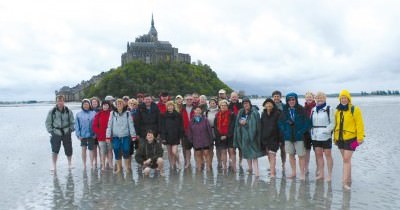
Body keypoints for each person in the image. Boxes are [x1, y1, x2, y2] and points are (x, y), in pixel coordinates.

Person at [333, 90, 365, 190]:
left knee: (346, 159)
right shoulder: (338, 111)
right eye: (342, 98)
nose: (343, 99)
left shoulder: (355, 109)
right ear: (340, 99)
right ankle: (349, 180)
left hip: (353, 139)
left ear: (348, 99)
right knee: (346, 160)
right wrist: (335, 138)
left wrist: (360, 138)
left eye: (345, 98)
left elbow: (360, 124)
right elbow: (336, 125)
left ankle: (344, 182)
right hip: (340, 139)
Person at [278, 92, 310, 180]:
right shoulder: (284, 110)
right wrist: (285, 131)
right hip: (288, 137)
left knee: (301, 155)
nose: (291, 101)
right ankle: (293, 172)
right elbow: (280, 123)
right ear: (287, 101)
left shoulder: (301, 109)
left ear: (296, 100)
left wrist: (301, 132)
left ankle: (302, 174)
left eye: (293, 100)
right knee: (291, 155)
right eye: (289, 100)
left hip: (299, 137)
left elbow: (307, 122)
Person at [233, 98, 263, 176]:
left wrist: (245, 123)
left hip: (253, 136)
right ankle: (250, 169)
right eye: (244, 103)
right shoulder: (241, 112)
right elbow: (237, 124)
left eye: (247, 103)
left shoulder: (254, 113)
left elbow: (255, 125)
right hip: (243, 136)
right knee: (246, 153)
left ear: (250, 104)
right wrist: (240, 124)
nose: (246, 105)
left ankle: (257, 173)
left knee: (254, 155)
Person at [106, 99, 137, 173]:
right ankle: (119, 168)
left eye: (120, 104)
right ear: (115, 105)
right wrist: (107, 136)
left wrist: (133, 135)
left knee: (126, 150)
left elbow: (131, 125)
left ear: (123, 105)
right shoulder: (112, 113)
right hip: (115, 136)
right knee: (116, 150)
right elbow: (109, 125)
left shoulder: (127, 113)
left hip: (125, 136)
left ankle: (126, 168)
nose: (119, 105)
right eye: (117, 104)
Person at [45, 95, 75, 171]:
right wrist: (51, 131)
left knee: (68, 149)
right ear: (56, 101)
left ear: (63, 101)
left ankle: (69, 163)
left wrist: (70, 130)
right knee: (55, 150)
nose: (60, 102)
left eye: (61, 101)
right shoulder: (52, 111)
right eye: (58, 101)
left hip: (66, 132)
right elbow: (48, 122)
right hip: (55, 133)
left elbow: (73, 122)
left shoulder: (68, 111)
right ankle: (54, 165)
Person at [311, 92, 335, 181]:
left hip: (326, 136)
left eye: (321, 98)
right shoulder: (313, 109)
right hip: (315, 136)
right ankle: (321, 174)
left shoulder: (329, 109)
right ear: (315, 99)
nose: (319, 99)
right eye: (318, 98)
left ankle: (329, 175)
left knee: (328, 155)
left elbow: (333, 123)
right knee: (318, 155)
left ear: (325, 98)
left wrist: (326, 131)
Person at [160, 101, 183, 170]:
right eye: (168, 106)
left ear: (173, 106)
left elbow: (180, 126)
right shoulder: (164, 115)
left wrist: (180, 136)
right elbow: (162, 127)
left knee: (174, 151)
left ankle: (178, 162)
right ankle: (172, 165)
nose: (170, 107)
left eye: (171, 106)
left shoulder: (178, 115)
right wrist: (163, 137)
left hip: (175, 136)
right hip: (167, 136)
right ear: (166, 107)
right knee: (169, 152)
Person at [260, 98, 281, 177]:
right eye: (267, 104)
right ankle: (273, 169)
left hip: (274, 138)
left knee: (272, 155)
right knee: (268, 155)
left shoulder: (277, 113)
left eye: (270, 103)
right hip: (265, 138)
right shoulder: (263, 114)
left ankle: (272, 173)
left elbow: (280, 127)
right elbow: (261, 126)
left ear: (273, 105)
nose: (268, 105)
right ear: (264, 105)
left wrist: (280, 139)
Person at [189, 107, 213, 172]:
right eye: (196, 110)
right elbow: (190, 132)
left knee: (206, 153)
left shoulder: (205, 120)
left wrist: (211, 140)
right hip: (196, 141)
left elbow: (209, 131)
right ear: (194, 111)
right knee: (198, 154)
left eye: (199, 110)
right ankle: (199, 168)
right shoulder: (191, 121)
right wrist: (191, 140)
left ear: (201, 111)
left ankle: (208, 167)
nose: (198, 111)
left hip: (205, 140)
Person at [214, 100, 236, 171]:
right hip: (220, 136)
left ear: (227, 106)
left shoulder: (231, 114)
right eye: (222, 105)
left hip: (230, 136)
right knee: (223, 151)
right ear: (219, 107)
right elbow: (215, 127)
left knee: (231, 151)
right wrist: (220, 136)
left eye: (225, 105)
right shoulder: (217, 115)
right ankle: (225, 166)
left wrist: (227, 135)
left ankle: (234, 166)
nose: (223, 107)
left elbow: (233, 126)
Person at [74, 99, 96, 169]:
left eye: (87, 104)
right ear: (82, 105)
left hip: (91, 134)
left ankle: (91, 164)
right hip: (82, 135)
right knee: (83, 149)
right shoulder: (78, 114)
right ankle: (84, 164)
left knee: (91, 149)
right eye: (84, 104)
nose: (86, 106)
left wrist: (95, 134)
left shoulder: (93, 113)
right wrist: (78, 135)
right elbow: (76, 125)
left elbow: (96, 124)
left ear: (89, 105)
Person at [92, 101, 113, 171]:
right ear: (102, 106)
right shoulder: (98, 114)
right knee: (102, 151)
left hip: (110, 136)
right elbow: (94, 126)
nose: (105, 107)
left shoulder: (111, 114)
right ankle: (103, 165)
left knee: (110, 150)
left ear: (109, 106)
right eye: (104, 105)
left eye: (106, 105)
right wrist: (98, 133)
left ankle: (110, 164)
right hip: (101, 137)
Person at [272, 90, 286, 172]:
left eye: (278, 96)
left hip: (282, 130)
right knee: (271, 150)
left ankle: (283, 164)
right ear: (273, 97)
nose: (276, 98)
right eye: (275, 96)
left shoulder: (284, 106)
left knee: (283, 149)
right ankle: (272, 165)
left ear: (280, 97)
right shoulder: (269, 105)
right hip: (272, 130)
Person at [228, 91, 243, 166]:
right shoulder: (227, 106)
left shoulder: (241, 105)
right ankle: (232, 161)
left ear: (238, 97)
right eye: (232, 97)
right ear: (230, 98)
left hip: (240, 129)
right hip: (231, 129)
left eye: (235, 97)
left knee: (240, 147)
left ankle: (240, 161)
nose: (234, 98)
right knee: (231, 147)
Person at [304, 92, 316, 175]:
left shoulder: (317, 107)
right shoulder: (303, 108)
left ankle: (318, 168)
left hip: (316, 132)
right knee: (307, 151)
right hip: (306, 133)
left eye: (310, 97)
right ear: (305, 98)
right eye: (307, 97)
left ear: (313, 98)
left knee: (318, 151)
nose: (309, 98)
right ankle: (306, 168)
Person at [181, 94, 195, 169]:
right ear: (185, 101)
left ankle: (198, 162)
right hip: (185, 131)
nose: (189, 101)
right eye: (187, 99)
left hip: (195, 131)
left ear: (193, 100)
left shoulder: (196, 108)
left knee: (197, 148)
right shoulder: (182, 109)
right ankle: (187, 162)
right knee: (187, 149)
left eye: (190, 99)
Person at [206, 98, 219, 167]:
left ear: (216, 104)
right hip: (209, 131)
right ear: (209, 104)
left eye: (214, 103)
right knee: (210, 148)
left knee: (218, 148)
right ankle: (209, 163)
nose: (212, 104)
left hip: (217, 131)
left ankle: (219, 162)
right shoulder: (207, 112)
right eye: (211, 103)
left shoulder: (219, 111)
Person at [90, 96, 101, 168]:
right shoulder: (89, 111)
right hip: (92, 133)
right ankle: (95, 161)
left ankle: (101, 161)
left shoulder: (101, 110)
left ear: (98, 103)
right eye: (93, 102)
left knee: (101, 148)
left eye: (95, 102)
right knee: (94, 148)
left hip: (100, 132)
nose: (94, 103)